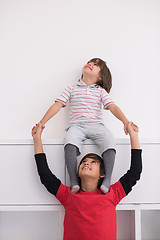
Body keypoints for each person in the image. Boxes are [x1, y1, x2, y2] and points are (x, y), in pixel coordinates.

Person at [32, 58, 138, 194]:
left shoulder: (100, 91)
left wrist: (125, 122)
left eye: (95, 65)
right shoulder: (71, 88)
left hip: (96, 125)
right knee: (69, 141)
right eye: (90, 62)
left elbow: (112, 107)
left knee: (109, 140)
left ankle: (107, 178)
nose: (91, 64)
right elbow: (57, 105)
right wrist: (42, 122)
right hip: (77, 126)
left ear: (100, 77)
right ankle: (73, 179)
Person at [33, 122, 142, 240]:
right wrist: (37, 138)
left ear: (102, 174)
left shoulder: (113, 193)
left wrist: (133, 136)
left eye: (93, 162)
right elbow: (45, 175)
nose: (86, 163)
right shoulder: (68, 195)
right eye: (84, 162)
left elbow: (135, 172)